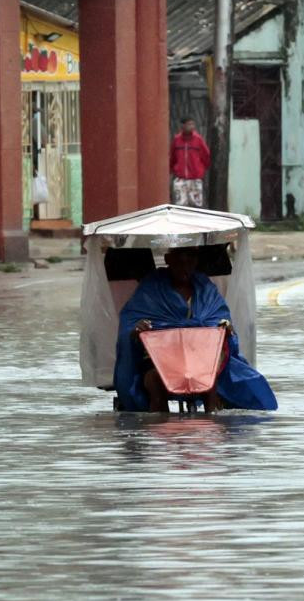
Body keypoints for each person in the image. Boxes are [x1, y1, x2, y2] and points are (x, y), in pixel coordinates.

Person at [114, 247, 277, 413]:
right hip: (161, 361)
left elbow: (221, 322)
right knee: (154, 381)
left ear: (196, 261)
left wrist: (225, 329)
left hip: (202, 360)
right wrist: (137, 329)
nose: (184, 266)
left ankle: (212, 427)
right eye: (179, 260)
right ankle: (160, 429)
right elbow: (130, 324)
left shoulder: (206, 289)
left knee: (212, 379)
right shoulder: (151, 288)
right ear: (168, 259)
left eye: (190, 260)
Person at [169, 117, 211, 208]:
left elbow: (206, 156)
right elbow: (172, 157)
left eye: (193, 124)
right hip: (181, 179)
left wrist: (200, 170)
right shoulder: (177, 140)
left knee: (196, 207)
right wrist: (174, 169)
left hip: (195, 179)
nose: (192, 127)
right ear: (182, 126)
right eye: (189, 124)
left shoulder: (198, 140)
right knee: (180, 206)